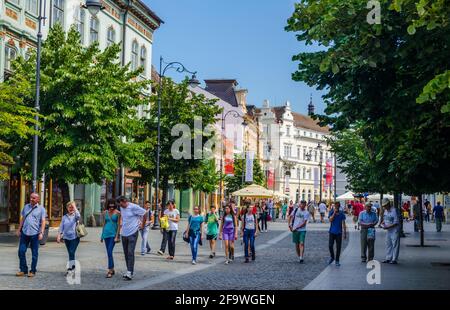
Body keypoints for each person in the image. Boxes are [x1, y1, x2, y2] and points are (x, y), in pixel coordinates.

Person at [16, 193, 47, 277]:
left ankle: (32, 270)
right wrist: (19, 229)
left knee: (34, 253)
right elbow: (23, 218)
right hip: (25, 233)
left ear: (38, 199)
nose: (31, 199)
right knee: (21, 251)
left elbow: (43, 221)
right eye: (31, 198)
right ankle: (23, 269)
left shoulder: (41, 209)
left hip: (35, 234)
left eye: (33, 198)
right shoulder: (26, 207)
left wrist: (41, 232)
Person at [117, 196, 146, 280]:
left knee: (130, 252)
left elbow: (144, 213)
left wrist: (143, 225)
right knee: (126, 253)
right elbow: (122, 217)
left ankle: (129, 272)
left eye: (120, 204)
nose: (120, 206)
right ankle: (129, 271)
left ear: (124, 201)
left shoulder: (133, 207)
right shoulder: (122, 208)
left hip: (133, 232)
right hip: (124, 233)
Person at [57, 201, 81, 276]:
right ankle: (73, 268)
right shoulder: (64, 217)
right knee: (71, 253)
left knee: (71, 252)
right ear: (67, 208)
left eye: (72, 207)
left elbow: (78, 215)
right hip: (66, 238)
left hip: (75, 237)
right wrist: (59, 235)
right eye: (69, 207)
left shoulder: (75, 216)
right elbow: (61, 227)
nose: (71, 209)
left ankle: (70, 269)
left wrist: (75, 207)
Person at [101, 199, 121, 278]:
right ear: (108, 205)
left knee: (109, 251)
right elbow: (104, 224)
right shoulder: (105, 213)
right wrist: (102, 235)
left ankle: (110, 270)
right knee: (109, 252)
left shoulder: (118, 213)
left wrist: (117, 236)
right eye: (110, 206)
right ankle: (112, 269)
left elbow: (119, 225)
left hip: (113, 234)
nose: (111, 208)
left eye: (113, 206)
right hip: (106, 234)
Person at [380, 198, 400, 264]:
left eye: (385, 205)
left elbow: (396, 222)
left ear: (388, 204)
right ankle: (388, 258)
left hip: (394, 230)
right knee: (388, 244)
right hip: (388, 230)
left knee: (395, 244)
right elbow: (386, 219)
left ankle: (394, 259)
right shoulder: (386, 211)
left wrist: (387, 226)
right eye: (384, 206)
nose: (384, 207)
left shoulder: (394, 211)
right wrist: (383, 223)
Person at [327, 202, 347, 266]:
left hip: (339, 232)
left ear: (339, 206)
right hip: (332, 232)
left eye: (338, 206)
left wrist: (345, 233)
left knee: (338, 247)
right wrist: (334, 213)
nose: (336, 207)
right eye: (335, 206)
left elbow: (343, 223)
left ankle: (337, 260)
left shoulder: (341, 213)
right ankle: (332, 257)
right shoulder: (331, 212)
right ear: (334, 206)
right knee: (330, 246)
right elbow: (330, 220)